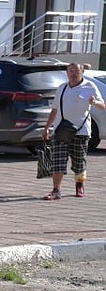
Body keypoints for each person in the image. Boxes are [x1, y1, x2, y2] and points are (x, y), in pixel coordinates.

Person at [41, 63, 105, 200]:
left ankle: (79, 185)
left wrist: (94, 102)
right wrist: (47, 128)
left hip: (81, 131)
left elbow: (102, 106)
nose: (73, 73)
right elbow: (54, 110)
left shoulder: (90, 87)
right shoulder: (62, 87)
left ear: (82, 72)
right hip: (61, 130)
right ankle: (56, 190)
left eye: (76, 70)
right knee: (58, 161)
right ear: (67, 73)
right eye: (70, 71)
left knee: (79, 162)